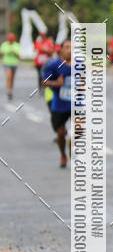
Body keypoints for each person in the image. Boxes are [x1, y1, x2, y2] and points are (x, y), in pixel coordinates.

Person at [42, 39, 72, 168]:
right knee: (61, 133)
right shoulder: (54, 65)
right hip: (59, 104)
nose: (70, 50)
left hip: (76, 103)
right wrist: (56, 83)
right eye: (67, 47)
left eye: (72, 47)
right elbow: (44, 82)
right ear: (61, 50)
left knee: (78, 131)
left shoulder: (79, 64)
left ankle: (73, 153)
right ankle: (63, 154)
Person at [1, 32, 20, 101]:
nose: (10, 40)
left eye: (11, 39)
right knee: (8, 76)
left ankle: (10, 90)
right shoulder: (4, 45)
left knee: (12, 78)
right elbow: (2, 53)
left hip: (14, 63)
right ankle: (8, 91)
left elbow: (18, 56)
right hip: (7, 63)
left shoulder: (16, 45)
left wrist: (13, 52)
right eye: (9, 39)